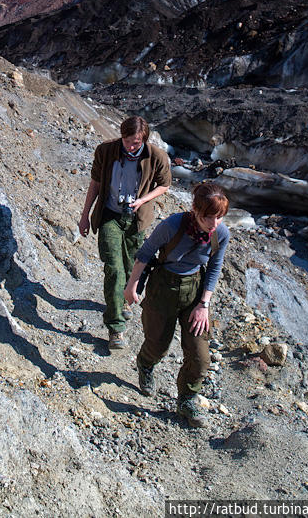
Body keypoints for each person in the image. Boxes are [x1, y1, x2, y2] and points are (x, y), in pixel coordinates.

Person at [124, 182, 230, 428]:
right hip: (163, 287)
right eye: (208, 217)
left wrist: (204, 304)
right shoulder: (172, 225)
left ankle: (186, 400)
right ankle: (145, 364)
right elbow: (146, 253)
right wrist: (132, 286)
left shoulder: (220, 233)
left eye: (219, 217)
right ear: (195, 209)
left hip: (195, 291)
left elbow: (214, 267)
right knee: (158, 345)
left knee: (201, 356)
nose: (214, 223)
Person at [79, 116, 171, 351]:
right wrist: (84, 215)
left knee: (131, 267)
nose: (130, 146)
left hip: (136, 220)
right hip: (110, 216)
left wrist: (143, 199)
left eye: (135, 143)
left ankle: (124, 301)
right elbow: (95, 184)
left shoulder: (156, 156)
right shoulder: (106, 151)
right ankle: (115, 328)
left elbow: (165, 185)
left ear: (144, 140)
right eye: (127, 141)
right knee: (114, 269)